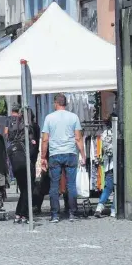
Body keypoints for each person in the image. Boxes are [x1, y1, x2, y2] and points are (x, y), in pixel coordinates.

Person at [41, 93, 86, 223]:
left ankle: (55, 215)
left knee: (54, 185)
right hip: (71, 153)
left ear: (55, 103)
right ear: (65, 104)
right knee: (71, 185)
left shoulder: (49, 118)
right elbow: (78, 138)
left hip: (55, 154)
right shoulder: (74, 117)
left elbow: (45, 140)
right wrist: (83, 155)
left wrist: (43, 157)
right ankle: (72, 213)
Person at [4, 104, 40, 224]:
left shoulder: (16, 130)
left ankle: (19, 214)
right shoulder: (31, 129)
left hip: (15, 161)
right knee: (28, 188)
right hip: (27, 161)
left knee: (24, 188)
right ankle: (23, 214)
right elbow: (34, 148)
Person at [95, 114, 116, 218]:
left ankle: (99, 206)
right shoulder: (118, 133)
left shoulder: (104, 134)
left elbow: (104, 150)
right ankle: (113, 209)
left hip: (108, 165)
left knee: (108, 187)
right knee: (118, 188)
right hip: (117, 164)